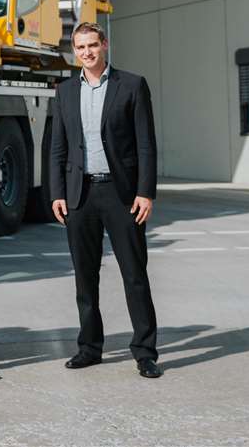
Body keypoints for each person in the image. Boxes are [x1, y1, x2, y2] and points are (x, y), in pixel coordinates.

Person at [50, 22, 162, 378]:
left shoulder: (131, 85)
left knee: (134, 274)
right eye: (80, 47)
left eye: (92, 46)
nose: (87, 53)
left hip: (121, 193)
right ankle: (90, 347)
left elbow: (146, 144)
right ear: (74, 51)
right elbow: (57, 148)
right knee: (85, 276)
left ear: (105, 45)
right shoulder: (65, 91)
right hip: (79, 195)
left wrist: (145, 191)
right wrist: (56, 193)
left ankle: (145, 352)